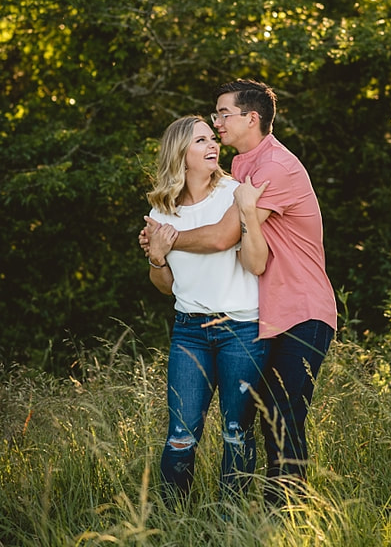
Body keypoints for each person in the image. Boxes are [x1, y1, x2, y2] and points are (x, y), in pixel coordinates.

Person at [150, 80, 338, 506]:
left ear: (251, 118)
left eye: (222, 114)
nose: (217, 123)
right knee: (264, 418)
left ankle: (287, 517)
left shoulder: (274, 167)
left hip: (300, 309)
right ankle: (264, 514)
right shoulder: (242, 167)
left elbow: (222, 237)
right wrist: (160, 248)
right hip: (264, 313)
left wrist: (164, 239)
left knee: (281, 419)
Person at [140, 115, 269, 505]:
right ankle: (172, 519)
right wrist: (158, 257)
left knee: (237, 432)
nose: (213, 145)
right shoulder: (161, 212)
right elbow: (164, 285)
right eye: (201, 141)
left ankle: (232, 524)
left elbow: (221, 239)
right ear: (180, 153)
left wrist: (168, 243)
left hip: (241, 328)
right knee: (181, 436)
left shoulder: (234, 192)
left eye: (213, 138)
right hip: (189, 332)